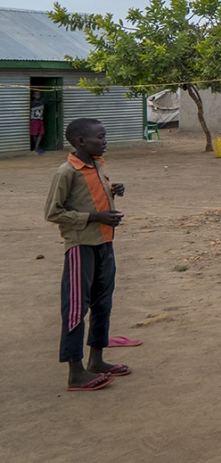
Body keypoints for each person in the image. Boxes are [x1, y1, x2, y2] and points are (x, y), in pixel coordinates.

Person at [45, 117, 128, 391]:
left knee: (103, 303)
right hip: (81, 246)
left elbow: (92, 193)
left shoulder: (98, 164)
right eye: (100, 137)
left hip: (105, 243)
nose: (105, 142)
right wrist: (95, 216)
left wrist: (113, 190)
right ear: (81, 142)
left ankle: (97, 360)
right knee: (76, 308)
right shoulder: (66, 172)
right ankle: (75, 372)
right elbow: (53, 213)